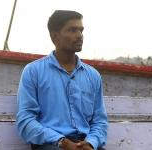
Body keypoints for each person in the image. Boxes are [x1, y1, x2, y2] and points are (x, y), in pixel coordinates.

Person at [16, 10, 108, 150]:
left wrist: (91, 143)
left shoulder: (93, 75)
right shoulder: (33, 71)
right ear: (55, 37)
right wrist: (61, 141)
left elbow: (99, 120)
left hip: (86, 145)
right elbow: (25, 121)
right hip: (51, 145)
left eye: (81, 30)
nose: (79, 36)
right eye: (72, 30)